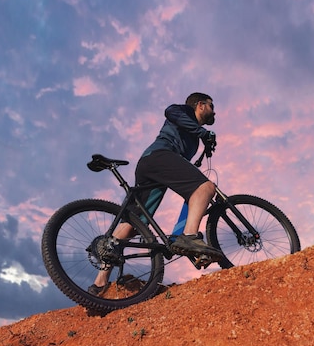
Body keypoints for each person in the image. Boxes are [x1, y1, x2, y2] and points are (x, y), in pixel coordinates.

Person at [88, 92, 223, 296]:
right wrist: (202, 133)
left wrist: (203, 142)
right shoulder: (184, 111)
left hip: (154, 165)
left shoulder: (194, 136)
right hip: (159, 157)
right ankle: (189, 237)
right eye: (212, 106)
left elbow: (182, 159)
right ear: (201, 105)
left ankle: (99, 284)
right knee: (205, 188)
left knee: (134, 224)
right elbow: (170, 111)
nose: (215, 111)